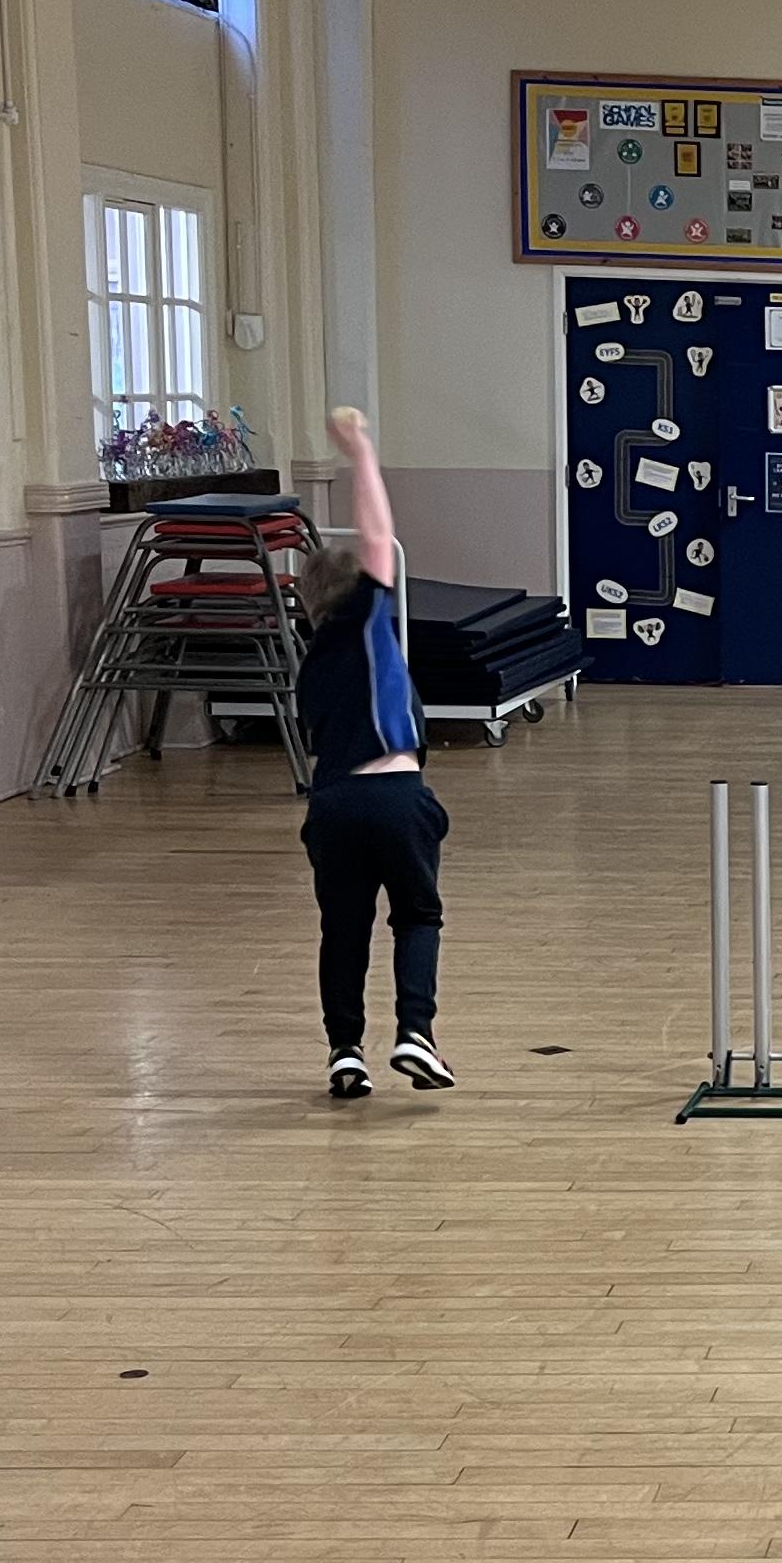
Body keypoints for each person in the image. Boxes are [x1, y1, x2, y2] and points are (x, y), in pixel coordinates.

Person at [299, 406, 453, 1098]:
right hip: (394, 797)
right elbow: (377, 534)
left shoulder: (311, 667)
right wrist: (358, 450)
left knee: (344, 929)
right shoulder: (367, 625)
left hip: (331, 808)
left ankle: (345, 1051)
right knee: (416, 916)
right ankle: (416, 1032)